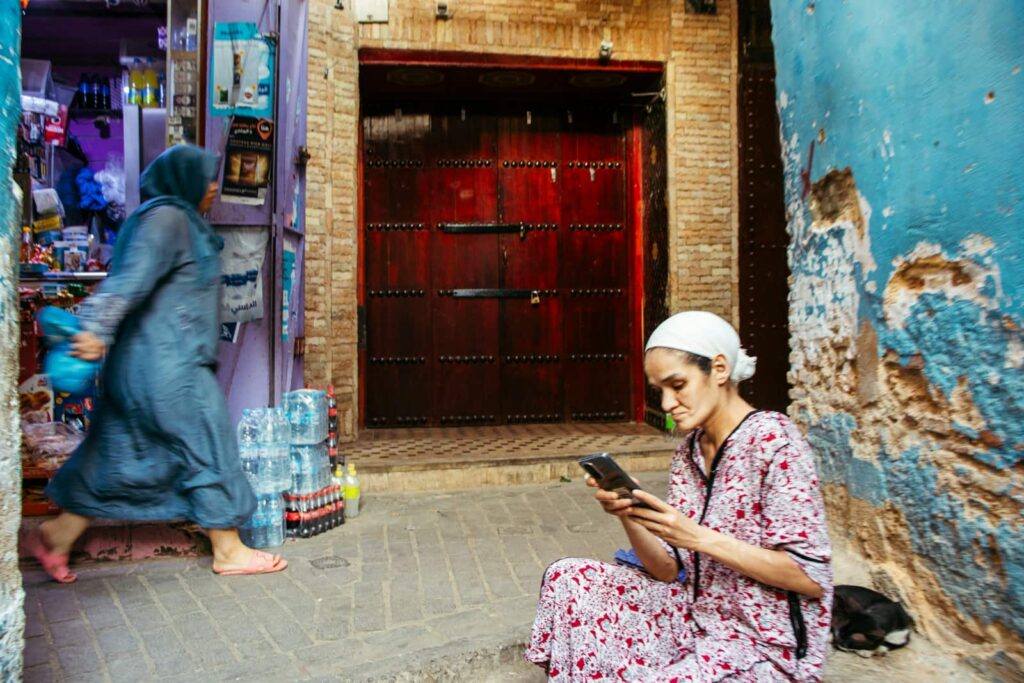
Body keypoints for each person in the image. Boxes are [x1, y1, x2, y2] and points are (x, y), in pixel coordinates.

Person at [24, 145, 287, 583]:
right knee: (209, 439)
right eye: (206, 178)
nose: (213, 186)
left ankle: (55, 537)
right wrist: (93, 328)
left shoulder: (172, 220)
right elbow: (128, 281)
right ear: (182, 180)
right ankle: (229, 548)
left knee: (116, 454)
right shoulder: (167, 220)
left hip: (145, 365)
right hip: (167, 366)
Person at [526, 311, 832, 681]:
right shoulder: (687, 455)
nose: (668, 403)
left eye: (678, 385)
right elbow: (668, 569)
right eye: (660, 391)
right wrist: (630, 512)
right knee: (569, 578)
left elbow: (810, 576)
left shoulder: (774, 441)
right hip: (695, 616)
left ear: (719, 369)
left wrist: (697, 537)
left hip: (764, 643)